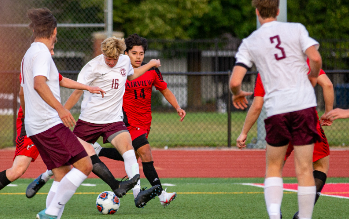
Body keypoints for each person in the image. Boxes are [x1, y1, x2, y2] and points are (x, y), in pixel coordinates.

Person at [229, 1, 322, 218]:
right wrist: (313, 75)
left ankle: (274, 215)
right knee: (305, 169)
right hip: (304, 105)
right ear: (278, 11)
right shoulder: (296, 28)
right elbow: (315, 58)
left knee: (273, 166)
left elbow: (235, 82)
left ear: (257, 12)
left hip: (277, 108)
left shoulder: (250, 41)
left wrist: (237, 93)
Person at [21, 8, 106, 219]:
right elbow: (39, 84)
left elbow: (58, 80)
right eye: (55, 37)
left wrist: (88, 87)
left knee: (61, 174)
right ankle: (50, 213)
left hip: (36, 125)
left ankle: (53, 216)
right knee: (85, 164)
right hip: (48, 124)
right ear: (53, 32)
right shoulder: (41, 52)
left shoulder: (30, 53)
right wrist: (61, 109)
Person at [63, 36, 162, 208]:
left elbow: (132, 75)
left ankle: (138, 195)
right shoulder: (92, 67)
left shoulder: (124, 61)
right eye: (108, 58)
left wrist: (150, 64)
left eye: (114, 59)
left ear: (120, 55)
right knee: (75, 156)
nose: (111, 62)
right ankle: (44, 177)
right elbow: (77, 92)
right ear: (103, 53)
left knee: (129, 150)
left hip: (113, 120)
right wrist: (63, 111)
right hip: (89, 121)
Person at [94, 33, 185, 206]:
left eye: (141, 53)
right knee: (145, 153)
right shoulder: (120, 72)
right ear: (126, 54)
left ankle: (99, 151)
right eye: (134, 53)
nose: (138, 57)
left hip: (144, 123)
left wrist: (177, 107)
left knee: (131, 155)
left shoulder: (151, 71)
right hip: (126, 123)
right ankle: (161, 194)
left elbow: (164, 90)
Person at [236, 58, 333, 219]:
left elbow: (257, 105)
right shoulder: (304, 61)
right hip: (306, 120)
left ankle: (275, 215)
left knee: (273, 168)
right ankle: (303, 214)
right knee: (319, 167)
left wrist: (244, 132)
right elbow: (328, 85)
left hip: (278, 121)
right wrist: (328, 112)